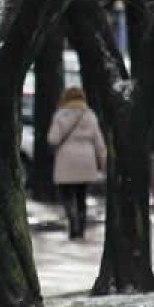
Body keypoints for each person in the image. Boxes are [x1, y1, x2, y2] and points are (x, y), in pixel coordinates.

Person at [47, 86, 107, 240]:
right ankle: (80, 228)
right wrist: (103, 162)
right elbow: (99, 142)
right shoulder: (90, 115)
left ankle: (72, 221)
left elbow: (53, 139)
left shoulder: (61, 115)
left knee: (66, 195)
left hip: (66, 160)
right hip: (86, 160)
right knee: (81, 196)